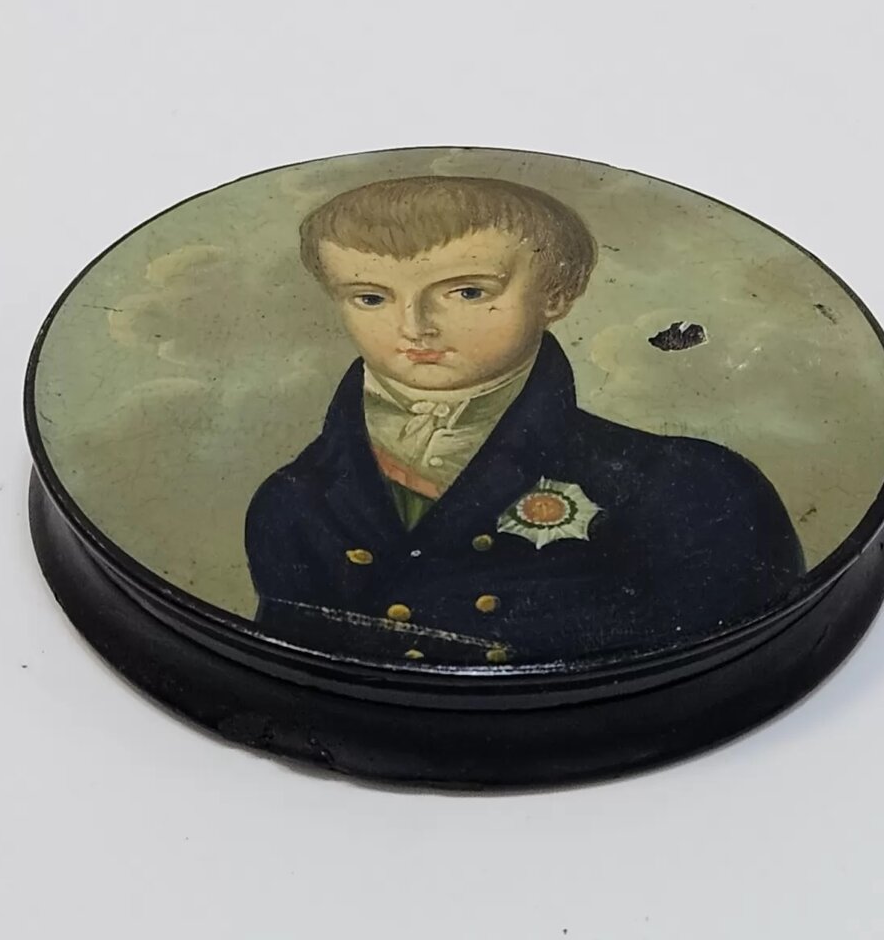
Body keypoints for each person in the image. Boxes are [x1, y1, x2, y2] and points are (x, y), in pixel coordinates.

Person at [245, 175, 804, 665]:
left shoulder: (689, 486)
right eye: (371, 298)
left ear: (557, 293)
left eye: (467, 292)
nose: (414, 326)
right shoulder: (291, 499)